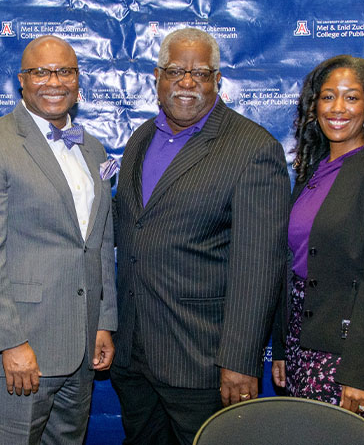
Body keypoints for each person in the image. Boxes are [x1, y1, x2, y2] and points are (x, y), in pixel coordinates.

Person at [113, 27, 290, 444]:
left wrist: (240, 361)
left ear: (218, 81)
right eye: (176, 71)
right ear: (157, 77)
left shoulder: (252, 149)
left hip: (200, 361)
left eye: (202, 73)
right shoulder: (142, 137)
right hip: (134, 354)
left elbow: (259, 266)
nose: (188, 82)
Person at [0, 35, 116, 444]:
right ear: (21, 81)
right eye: (41, 72)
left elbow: (98, 243)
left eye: (64, 71)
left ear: (78, 82)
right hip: (19, 351)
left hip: (80, 345)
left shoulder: (93, 150)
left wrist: (103, 322)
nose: (53, 81)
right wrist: (11, 342)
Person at [271, 55, 364, 424]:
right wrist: (284, 346)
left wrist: (361, 373)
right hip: (304, 335)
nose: (338, 108)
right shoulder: (312, 170)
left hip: (352, 347)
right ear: (314, 105)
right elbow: (292, 263)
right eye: (328, 96)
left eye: (351, 98)